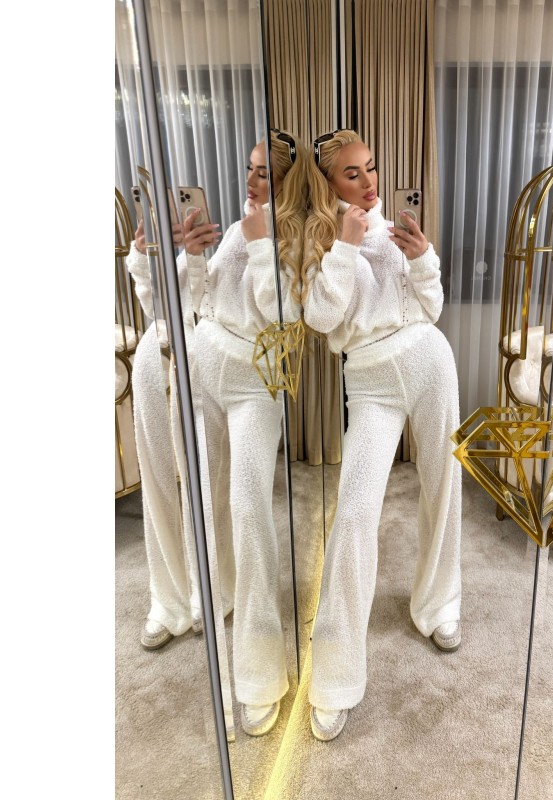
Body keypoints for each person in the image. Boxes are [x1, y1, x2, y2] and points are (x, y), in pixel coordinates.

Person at [301, 129, 462, 742]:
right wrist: (345, 244)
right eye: (352, 173)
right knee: (354, 515)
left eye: (371, 168)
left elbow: (432, 307)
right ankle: (335, 676)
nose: (369, 183)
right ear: (328, 182)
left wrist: (421, 257)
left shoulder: (394, 230)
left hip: (430, 361)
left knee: (443, 486)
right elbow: (321, 318)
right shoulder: (318, 241)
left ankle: (438, 604)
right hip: (370, 382)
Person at [182, 129, 307, 737]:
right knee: (207, 493)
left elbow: (286, 314)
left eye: (265, 173)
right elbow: (202, 296)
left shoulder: (299, 236)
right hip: (204, 367)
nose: (252, 181)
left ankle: (258, 675)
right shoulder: (238, 224)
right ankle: (218, 592)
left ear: (287, 182)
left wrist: (261, 243)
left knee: (251, 510)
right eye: (250, 168)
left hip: (256, 383)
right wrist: (191, 255)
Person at [126, 211, 211, 652]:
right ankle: (166, 599)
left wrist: (195, 257)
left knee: (202, 485)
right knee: (157, 483)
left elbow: (208, 309)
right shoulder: (165, 257)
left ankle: (207, 590)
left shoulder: (228, 244)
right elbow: (152, 307)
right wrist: (143, 254)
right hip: (151, 360)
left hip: (195, 369)